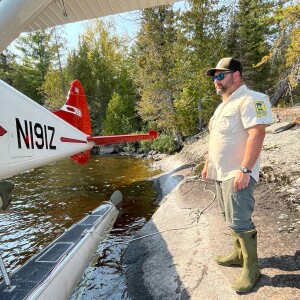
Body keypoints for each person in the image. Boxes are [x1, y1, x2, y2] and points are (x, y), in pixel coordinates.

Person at [201, 57, 273, 293]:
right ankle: (238, 254)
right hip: (220, 173)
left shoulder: (252, 99)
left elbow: (257, 135)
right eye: (214, 77)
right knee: (228, 217)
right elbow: (216, 139)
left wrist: (245, 170)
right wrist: (207, 163)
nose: (216, 81)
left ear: (236, 75)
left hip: (237, 172)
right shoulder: (223, 106)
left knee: (240, 220)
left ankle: (252, 268)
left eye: (220, 75)